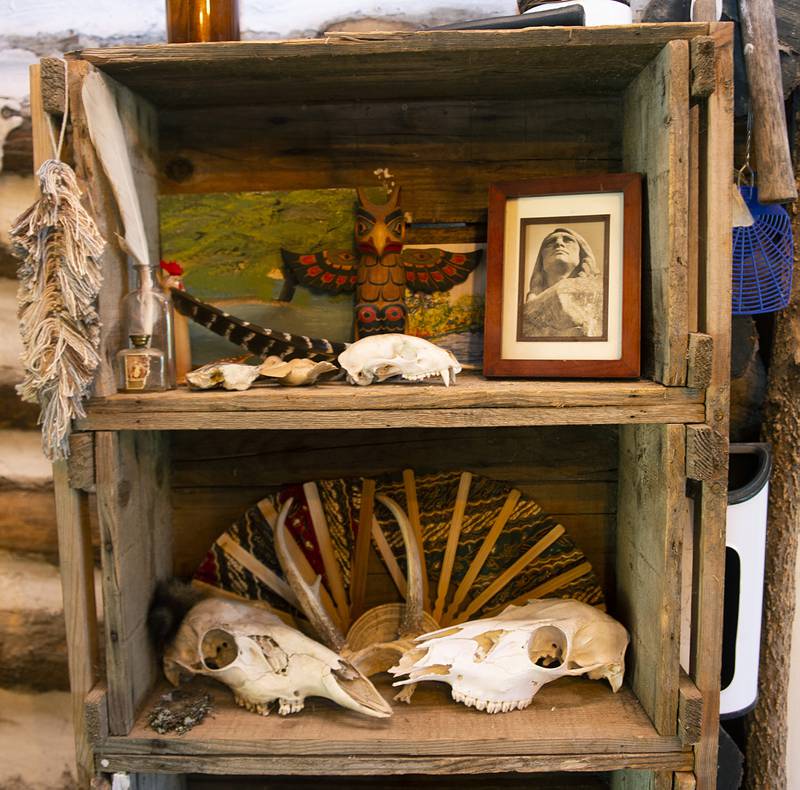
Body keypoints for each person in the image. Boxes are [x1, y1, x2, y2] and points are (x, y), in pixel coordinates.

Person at [525, 226, 598, 302]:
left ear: (581, 255)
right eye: (550, 243)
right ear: (541, 259)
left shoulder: (596, 296)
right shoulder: (529, 305)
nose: (559, 243)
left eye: (568, 241)